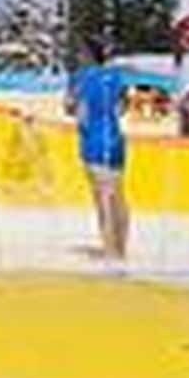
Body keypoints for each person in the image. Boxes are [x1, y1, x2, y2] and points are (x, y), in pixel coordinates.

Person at [64, 43, 129, 260]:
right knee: (118, 195)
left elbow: (71, 108)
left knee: (102, 197)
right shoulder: (117, 77)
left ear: (88, 55)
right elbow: (122, 108)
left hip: (93, 141)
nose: (78, 56)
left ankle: (109, 250)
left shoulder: (79, 78)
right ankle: (121, 248)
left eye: (80, 52)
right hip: (116, 140)